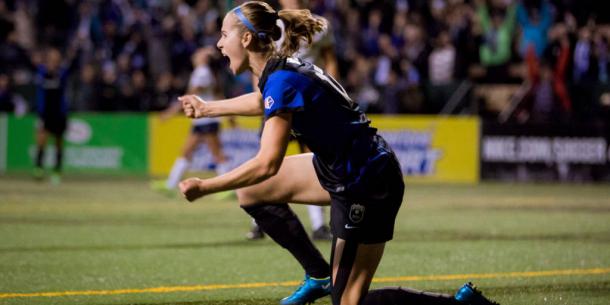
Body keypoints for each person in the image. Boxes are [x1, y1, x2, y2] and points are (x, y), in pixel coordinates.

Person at [178, 2, 499, 305]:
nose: (219, 44)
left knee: (348, 303)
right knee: (251, 192)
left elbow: (267, 164)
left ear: (246, 38)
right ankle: (319, 275)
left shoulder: (281, 79)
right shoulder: (280, 70)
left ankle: (458, 303)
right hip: (343, 168)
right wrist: (207, 108)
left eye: (223, 35)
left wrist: (206, 187)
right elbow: (264, 100)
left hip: (366, 182)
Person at [246, 0, 336, 241]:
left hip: (309, 102)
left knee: (316, 160)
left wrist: (331, 90)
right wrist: (262, 92)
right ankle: (260, 221)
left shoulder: (319, 24)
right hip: (278, 98)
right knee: (268, 159)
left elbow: (330, 60)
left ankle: (319, 225)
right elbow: (258, 62)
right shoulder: (271, 24)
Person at [153, 47, 231, 194]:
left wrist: (170, 113)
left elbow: (190, 95)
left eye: (199, 54)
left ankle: (229, 188)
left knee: (217, 154)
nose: (195, 55)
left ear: (203, 58)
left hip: (206, 119)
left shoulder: (202, 72)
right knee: (187, 151)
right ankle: (171, 184)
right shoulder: (205, 72)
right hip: (203, 120)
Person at [33, 46, 78, 184]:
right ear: (47, 59)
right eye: (52, 58)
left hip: (59, 113)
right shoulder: (41, 72)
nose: (54, 60)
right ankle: (39, 167)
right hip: (44, 113)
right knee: (41, 140)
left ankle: (57, 170)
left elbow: (72, 68)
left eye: (56, 58)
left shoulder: (62, 73)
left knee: (59, 142)